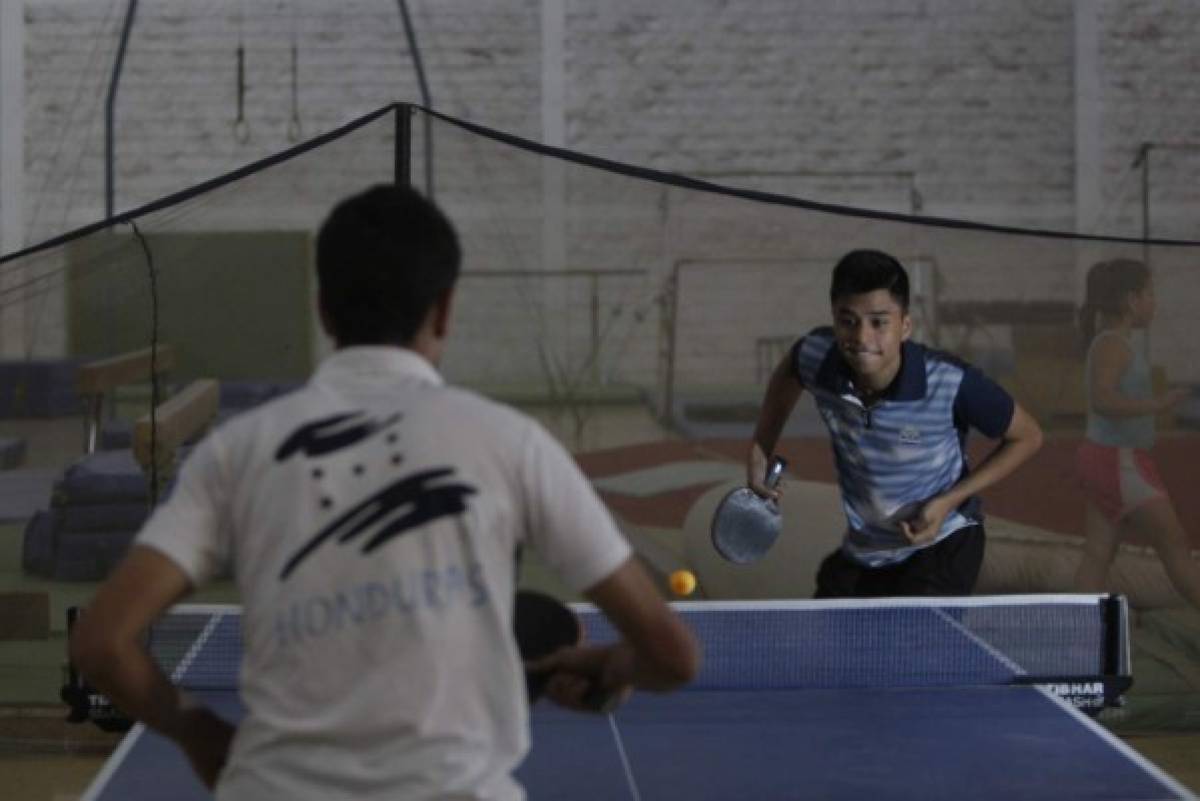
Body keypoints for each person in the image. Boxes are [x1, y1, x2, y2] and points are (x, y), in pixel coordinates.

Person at [69, 184, 699, 800]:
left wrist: (199, 733)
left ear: (322, 309)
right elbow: (672, 657)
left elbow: (101, 644)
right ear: (446, 309)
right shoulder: (512, 442)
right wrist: (612, 668)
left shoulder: (237, 451)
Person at [746, 249, 1043, 597]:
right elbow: (791, 369)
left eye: (879, 322)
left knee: (913, 645)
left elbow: (1028, 436)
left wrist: (949, 500)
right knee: (831, 642)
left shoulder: (948, 382)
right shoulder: (818, 358)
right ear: (834, 318)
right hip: (868, 550)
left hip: (942, 542)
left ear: (904, 326)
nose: (861, 338)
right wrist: (759, 451)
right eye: (848, 320)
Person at [1073, 258, 1200, 608]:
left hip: (1104, 458)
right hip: (1119, 461)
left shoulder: (1111, 342)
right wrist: (1157, 405)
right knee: (1175, 547)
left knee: (1098, 554)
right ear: (1131, 300)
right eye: (1150, 293)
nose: (1154, 301)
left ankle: (1074, 632)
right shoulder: (1113, 344)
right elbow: (1103, 399)